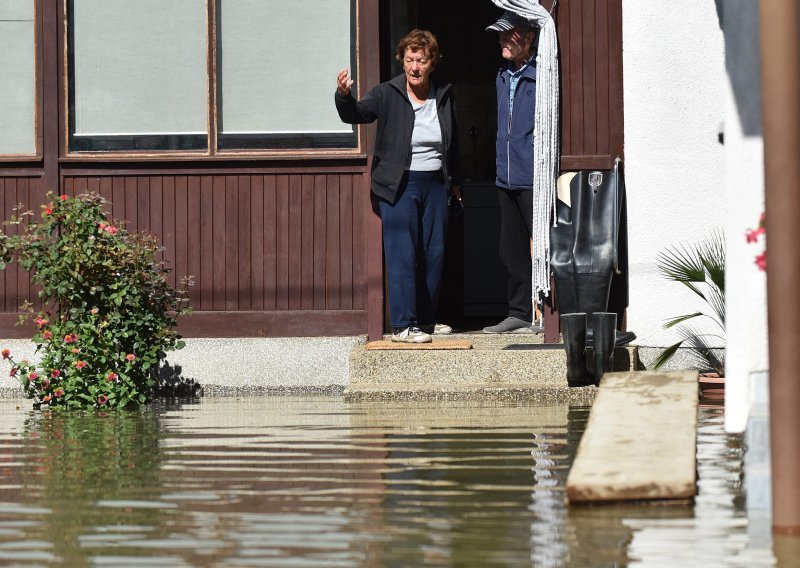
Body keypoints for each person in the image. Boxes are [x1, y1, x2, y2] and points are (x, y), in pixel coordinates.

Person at [335, 29, 461, 343]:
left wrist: (455, 181)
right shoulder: (387, 92)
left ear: (432, 62)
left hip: (435, 183)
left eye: (421, 60)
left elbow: (453, 142)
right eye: (409, 60)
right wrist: (344, 95)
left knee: (434, 252)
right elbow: (357, 114)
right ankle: (405, 325)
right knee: (403, 253)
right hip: (399, 183)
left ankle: (426, 321)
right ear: (401, 61)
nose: (414, 66)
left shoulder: (444, 93)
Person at [483, 12, 540, 334]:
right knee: (511, 248)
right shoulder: (503, 74)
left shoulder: (540, 74)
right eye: (500, 35)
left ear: (529, 37)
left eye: (509, 35)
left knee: (544, 246)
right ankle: (518, 312)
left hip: (532, 175)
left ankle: (546, 314)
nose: (503, 40)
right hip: (505, 175)